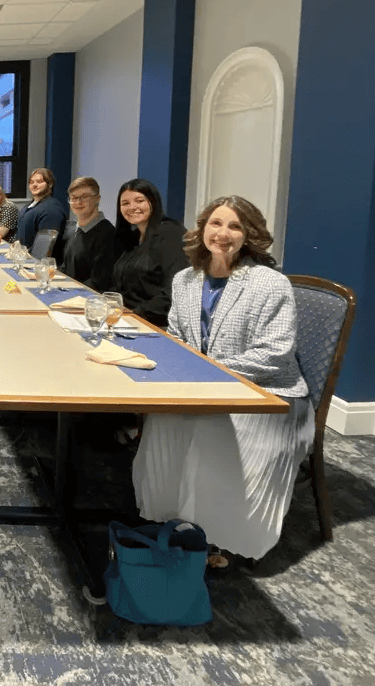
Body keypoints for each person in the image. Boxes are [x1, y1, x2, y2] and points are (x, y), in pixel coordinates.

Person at [133, 195, 314, 563]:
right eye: (216, 223)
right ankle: (171, 516)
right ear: (202, 230)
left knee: (212, 429)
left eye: (235, 226)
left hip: (268, 397)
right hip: (206, 387)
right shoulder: (186, 280)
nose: (223, 233)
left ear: (250, 236)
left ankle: (220, 534)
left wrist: (210, 372)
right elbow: (178, 334)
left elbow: (275, 352)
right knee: (163, 418)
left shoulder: (269, 284)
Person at [110, 178, 188, 328]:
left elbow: (175, 290)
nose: (132, 207)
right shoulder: (133, 237)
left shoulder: (171, 233)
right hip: (127, 319)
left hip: (156, 325)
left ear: (153, 202)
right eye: (125, 203)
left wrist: (134, 314)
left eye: (139, 201)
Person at [59, 176, 118, 292]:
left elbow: (99, 282)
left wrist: (66, 292)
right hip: (69, 294)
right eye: (73, 198)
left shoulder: (108, 235)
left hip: (88, 301)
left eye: (85, 197)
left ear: (97, 199)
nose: (78, 202)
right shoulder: (78, 231)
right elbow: (65, 268)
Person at [18, 167, 68, 258]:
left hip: (36, 262)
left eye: (39, 182)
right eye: (31, 182)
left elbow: (44, 248)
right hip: (22, 256)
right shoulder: (30, 206)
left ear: (50, 184)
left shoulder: (52, 209)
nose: (34, 185)